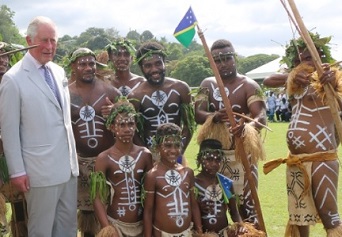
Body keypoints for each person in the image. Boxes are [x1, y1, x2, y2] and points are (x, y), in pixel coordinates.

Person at [0, 16, 79, 237]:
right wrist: (17, 170)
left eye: (53, 40)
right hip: (39, 172)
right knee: (41, 231)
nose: (49, 46)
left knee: (67, 229)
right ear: (28, 40)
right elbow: (9, 130)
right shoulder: (13, 79)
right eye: (44, 40)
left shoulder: (58, 72)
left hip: (69, 168)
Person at [263, 33, 342, 237]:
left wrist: (331, 83)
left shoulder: (332, 77)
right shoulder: (294, 82)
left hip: (321, 159)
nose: (301, 65)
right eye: (297, 61)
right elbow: (268, 80)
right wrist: (291, 75)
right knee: (299, 216)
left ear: (320, 56)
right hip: (296, 160)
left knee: (329, 214)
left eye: (307, 58)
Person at [195, 39, 267, 227]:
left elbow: (260, 116)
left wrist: (247, 127)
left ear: (235, 58)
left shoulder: (249, 85)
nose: (223, 64)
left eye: (227, 58)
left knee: (248, 207)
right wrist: (214, 116)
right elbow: (197, 113)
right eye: (217, 60)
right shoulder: (207, 84)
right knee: (214, 206)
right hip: (214, 158)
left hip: (243, 154)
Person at [68, 47, 122, 237]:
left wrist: (115, 110)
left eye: (91, 63)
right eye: (83, 63)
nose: (88, 67)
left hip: (105, 162)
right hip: (79, 162)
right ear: (73, 66)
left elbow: (127, 120)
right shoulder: (65, 93)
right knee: (86, 212)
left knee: (109, 208)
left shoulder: (109, 91)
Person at [91, 98, 153, 237]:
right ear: (112, 127)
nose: (127, 129)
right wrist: (107, 228)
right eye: (122, 125)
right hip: (116, 225)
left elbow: (151, 193)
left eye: (131, 124)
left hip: (142, 224)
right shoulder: (104, 158)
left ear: (136, 126)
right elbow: (97, 197)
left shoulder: (145, 155)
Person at [128, 41, 196, 164]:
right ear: (141, 68)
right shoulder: (135, 96)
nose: (154, 69)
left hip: (176, 150)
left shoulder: (181, 88)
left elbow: (189, 125)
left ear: (165, 62)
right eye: (148, 65)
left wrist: (179, 151)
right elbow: (133, 132)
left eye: (158, 63)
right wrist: (148, 155)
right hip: (152, 154)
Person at [143, 123, 202, 236]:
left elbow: (194, 205)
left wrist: (199, 232)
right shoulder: (153, 175)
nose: (173, 150)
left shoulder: (187, 173)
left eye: (177, 145)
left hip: (186, 233)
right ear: (158, 147)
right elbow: (148, 211)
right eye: (168, 146)